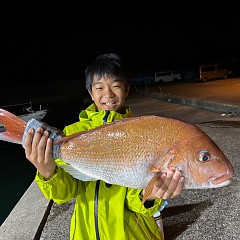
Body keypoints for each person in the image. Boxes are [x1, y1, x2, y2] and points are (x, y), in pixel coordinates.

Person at [24, 53, 185, 240]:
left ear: (126, 89)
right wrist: (47, 172)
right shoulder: (72, 133)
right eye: (99, 87)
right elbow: (64, 194)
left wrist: (150, 196)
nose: (108, 94)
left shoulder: (140, 133)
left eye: (115, 86)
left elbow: (136, 202)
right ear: (91, 93)